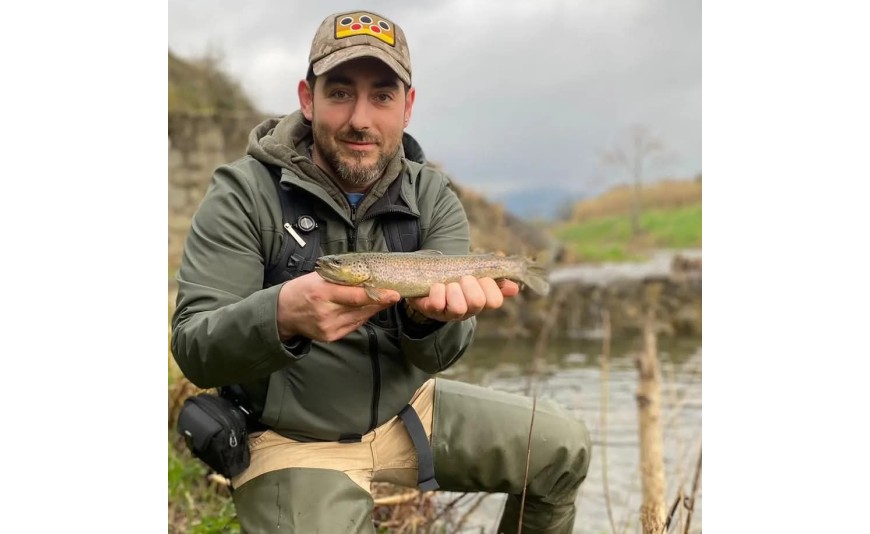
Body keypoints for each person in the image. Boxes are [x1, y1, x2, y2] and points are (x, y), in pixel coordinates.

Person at [171, 9, 591, 534]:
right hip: (290, 438)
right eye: (341, 92)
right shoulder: (242, 194)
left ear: (408, 106)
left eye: (383, 96)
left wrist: (429, 322)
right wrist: (279, 317)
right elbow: (193, 348)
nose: (361, 119)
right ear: (308, 97)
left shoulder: (433, 195)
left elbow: (441, 355)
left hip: (408, 410)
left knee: (563, 447)